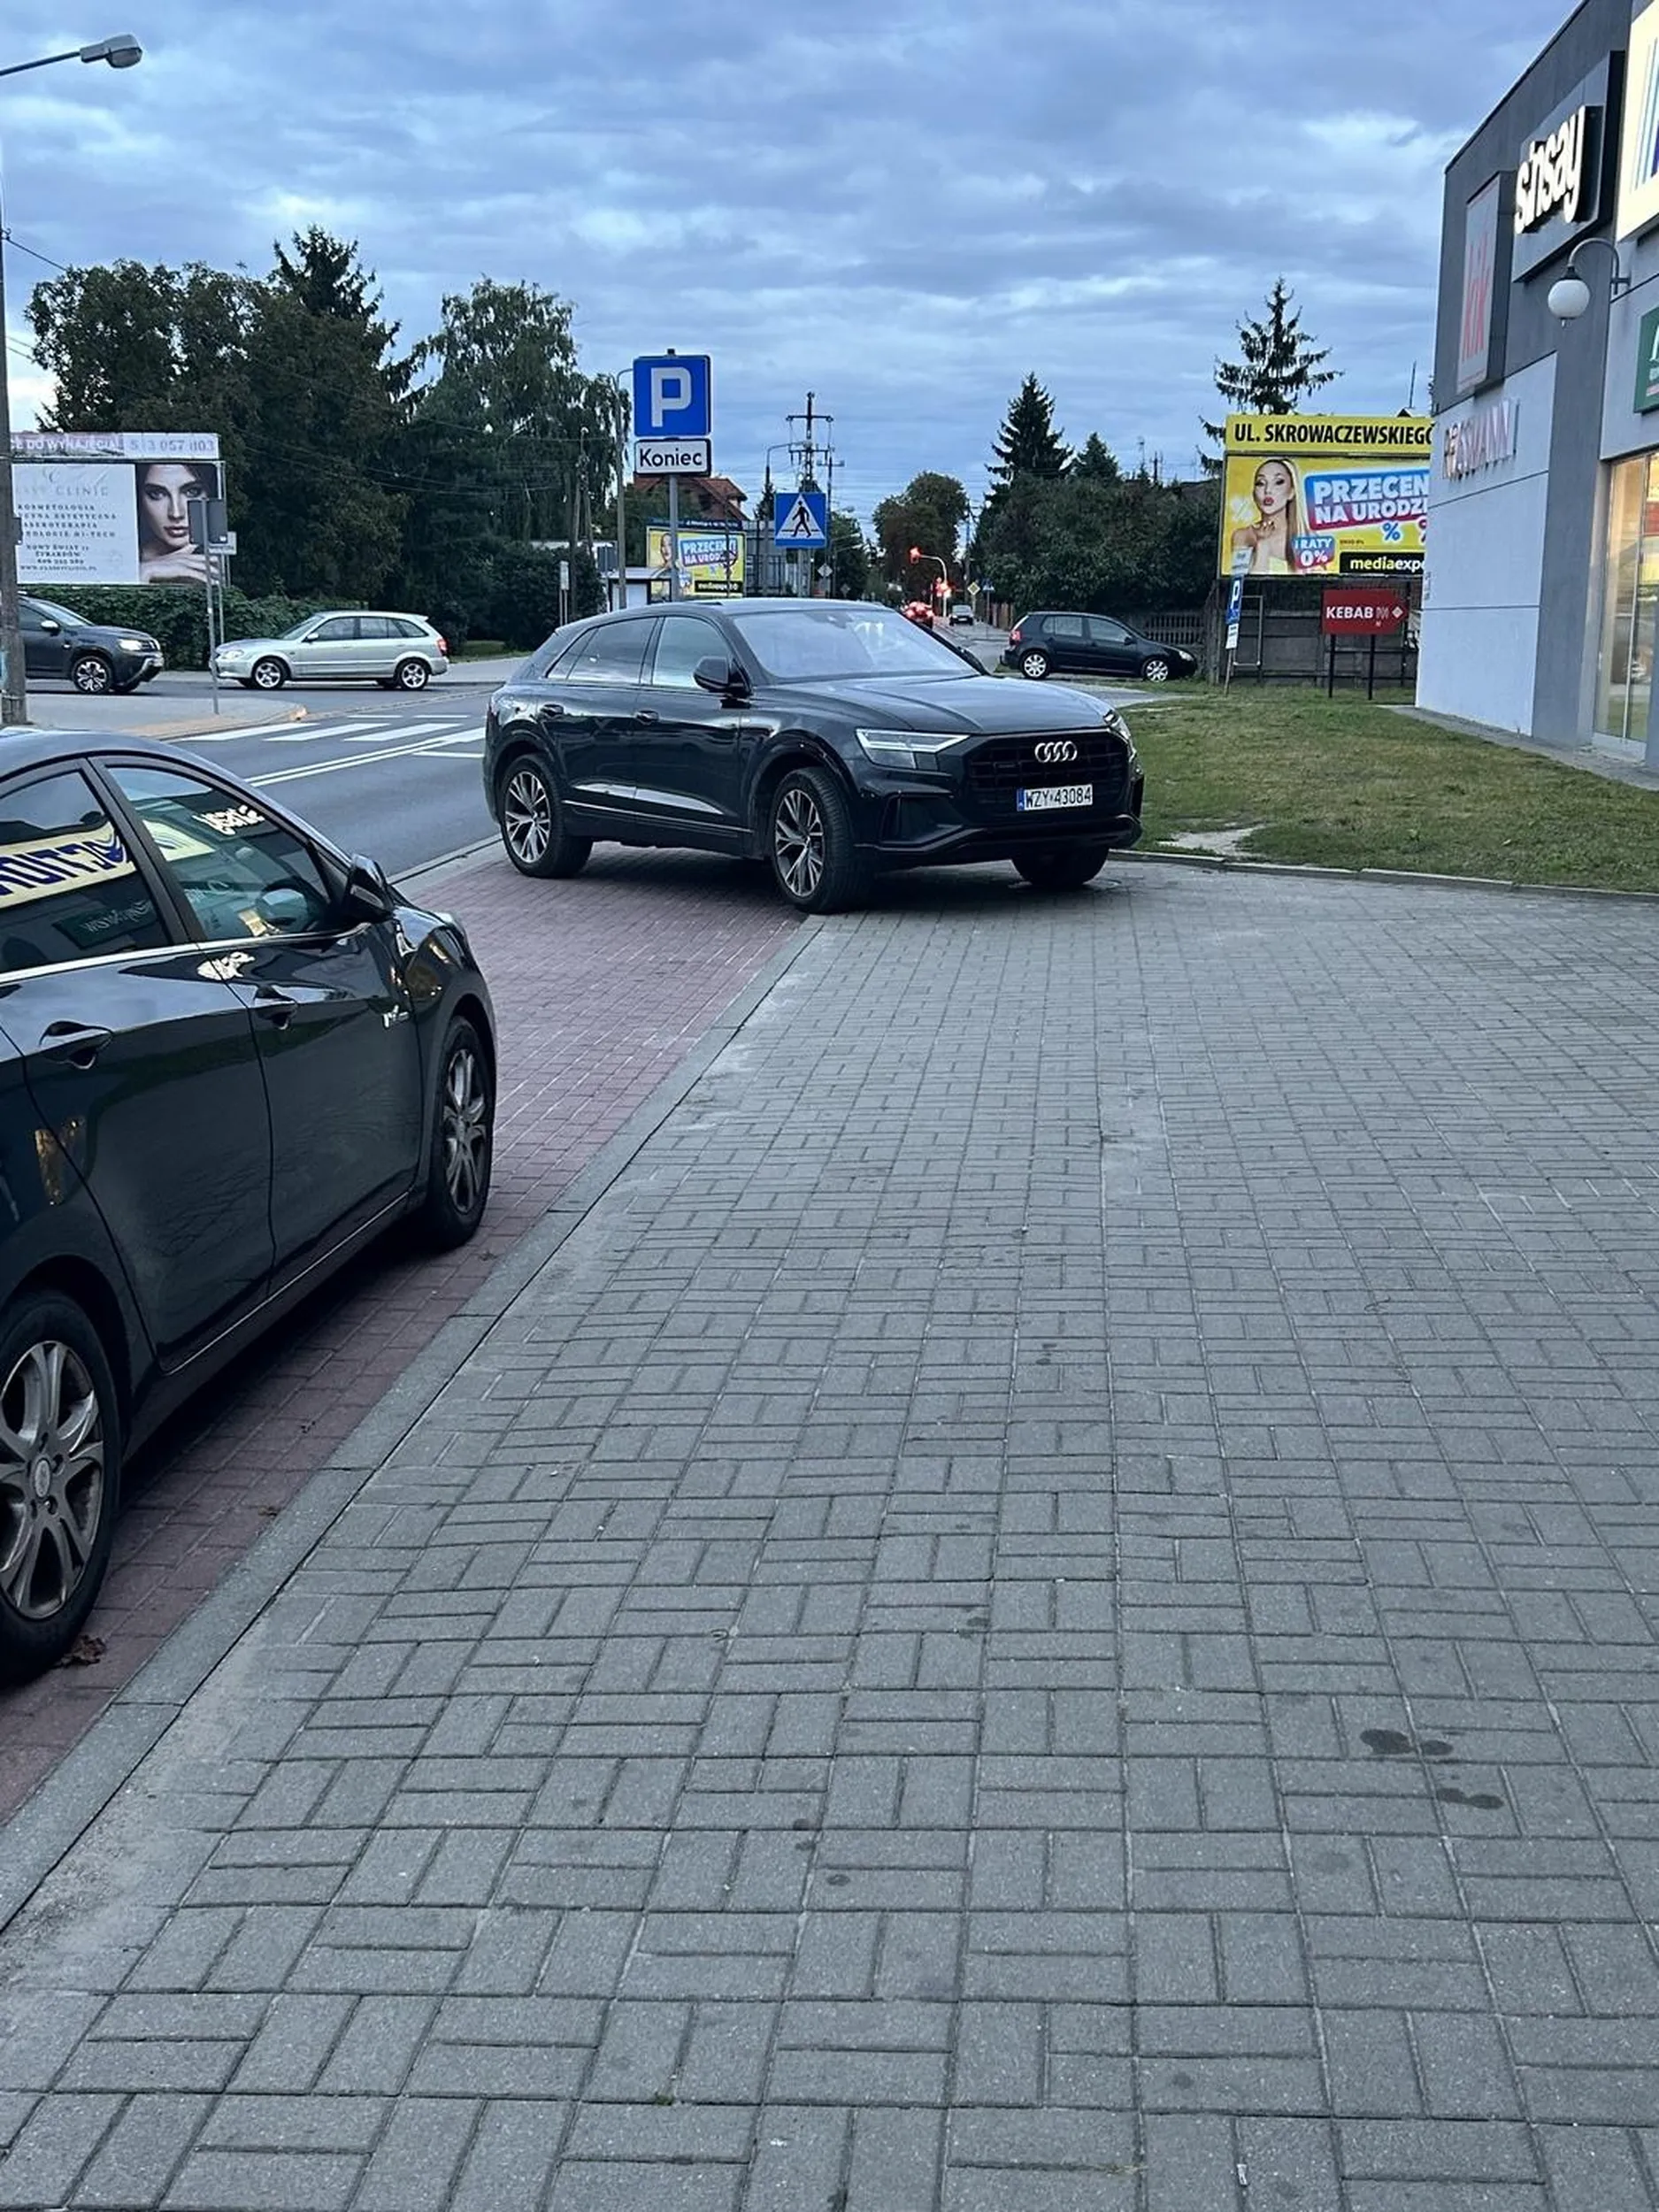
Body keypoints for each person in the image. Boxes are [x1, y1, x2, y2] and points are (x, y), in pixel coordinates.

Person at [134, 460, 219, 584]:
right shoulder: (121, 555)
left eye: (192, 492)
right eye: (157, 494)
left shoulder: (220, 559)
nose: (176, 513)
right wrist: (142, 572)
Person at [1229, 457, 1300, 577]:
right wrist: (1263, 543)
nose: (1268, 490)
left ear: (1291, 492)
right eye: (1260, 483)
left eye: (1278, 482)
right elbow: (1242, 582)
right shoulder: (1242, 536)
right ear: (1253, 494)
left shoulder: (1304, 536)